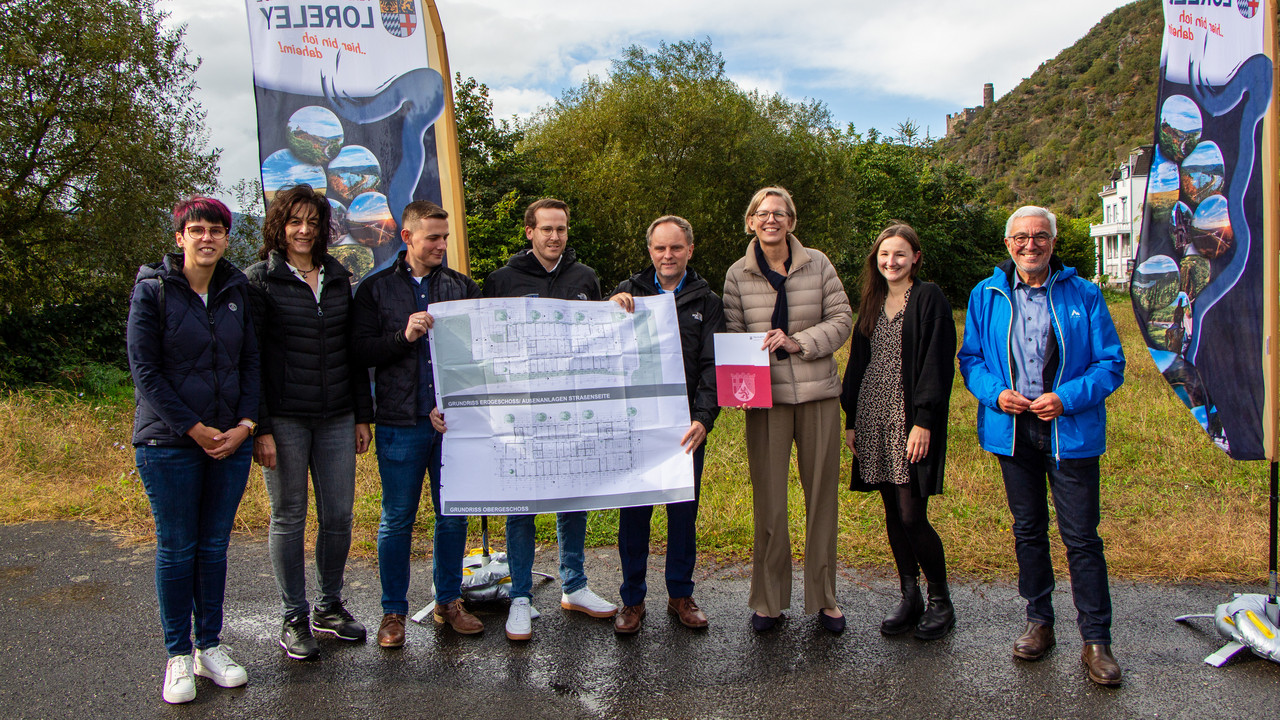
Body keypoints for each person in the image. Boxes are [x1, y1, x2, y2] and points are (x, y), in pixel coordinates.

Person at [958, 206, 1125, 686]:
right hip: (1012, 432)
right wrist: (995, 393)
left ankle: (1096, 641)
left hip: (1068, 433)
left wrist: (1066, 399)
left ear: (1053, 242)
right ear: (1007, 244)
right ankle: (1039, 622)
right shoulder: (986, 295)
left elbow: (1110, 364)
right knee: (1028, 531)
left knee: (1081, 539)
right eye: (1020, 238)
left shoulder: (1084, 294)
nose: (1030, 245)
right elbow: (970, 359)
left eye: (1040, 237)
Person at [127, 197, 259, 703]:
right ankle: (178, 655)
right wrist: (196, 429)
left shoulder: (236, 290)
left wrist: (245, 425)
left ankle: (209, 645)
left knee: (213, 548)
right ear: (179, 237)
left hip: (231, 442)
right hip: (168, 444)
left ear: (227, 238)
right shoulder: (153, 291)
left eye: (217, 230)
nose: (207, 238)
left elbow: (251, 362)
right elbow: (146, 372)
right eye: (197, 230)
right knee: (178, 548)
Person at [245, 184, 374, 660]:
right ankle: (293, 615)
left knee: (339, 515)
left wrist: (363, 415)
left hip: (338, 414)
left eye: (313, 222)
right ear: (279, 226)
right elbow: (249, 358)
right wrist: (260, 427)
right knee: (289, 517)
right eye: (294, 221)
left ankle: (329, 606)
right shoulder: (259, 280)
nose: (303, 230)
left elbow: (354, 353)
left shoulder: (339, 277)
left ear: (323, 229)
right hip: (284, 419)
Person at [482, 197, 617, 640]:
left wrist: (617, 311)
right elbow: (486, 348)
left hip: (572, 412)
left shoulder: (585, 279)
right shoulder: (502, 280)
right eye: (546, 229)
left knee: (571, 499)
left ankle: (573, 586)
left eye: (561, 229)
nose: (555, 237)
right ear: (529, 232)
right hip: (520, 414)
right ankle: (519, 596)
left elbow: (599, 340)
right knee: (522, 505)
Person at [351, 200, 484, 649]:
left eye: (444, 237)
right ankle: (393, 612)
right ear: (406, 238)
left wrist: (459, 402)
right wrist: (402, 337)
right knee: (397, 519)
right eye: (432, 238)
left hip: (450, 425)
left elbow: (476, 355)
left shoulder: (461, 287)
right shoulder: (373, 290)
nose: (441, 245)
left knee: (452, 516)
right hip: (398, 422)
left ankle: (449, 602)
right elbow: (361, 354)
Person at [722, 186, 852, 633]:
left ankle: (825, 598)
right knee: (770, 504)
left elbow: (842, 320)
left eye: (780, 213)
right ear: (750, 221)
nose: (771, 219)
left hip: (818, 395)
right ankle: (769, 600)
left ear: (792, 222)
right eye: (762, 213)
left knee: (821, 500)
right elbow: (734, 334)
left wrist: (798, 343)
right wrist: (741, 385)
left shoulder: (818, 263)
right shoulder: (737, 274)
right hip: (766, 401)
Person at [608, 215, 725, 634]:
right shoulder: (628, 293)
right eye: (660, 248)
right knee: (634, 516)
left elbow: (712, 367)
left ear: (690, 250)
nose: (667, 255)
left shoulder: (708, 300)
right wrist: (609, 312)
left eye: (676, 247)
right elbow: (603, 354)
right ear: (650, 252)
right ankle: (632, 600)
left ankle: (680, 594)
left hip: (685, 429)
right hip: (637, 428)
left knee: (683, 515)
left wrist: (704, 419)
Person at [840, 224, 956, 640]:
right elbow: (857, 362)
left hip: (909, 421)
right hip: (873, 417)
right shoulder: (871, 301)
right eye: (885, 254)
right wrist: (851, 419)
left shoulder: (929, 299)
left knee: (912, 513)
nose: (891, 261)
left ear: (916, 258)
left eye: (900, 254)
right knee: (892, 513)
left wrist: (924, 421)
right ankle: (910, 596)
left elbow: (938, 365)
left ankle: (940, 600)